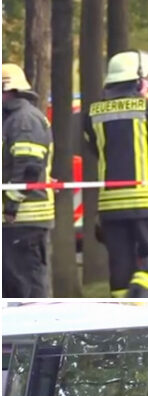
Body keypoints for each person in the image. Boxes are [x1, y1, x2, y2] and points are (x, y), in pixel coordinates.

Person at [84, 50, 148, 297]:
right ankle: (141, 295)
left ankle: (121, 311)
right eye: (146, 78)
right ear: (137, 81)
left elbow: (94, 147)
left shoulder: (93, 113)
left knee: (120, 263)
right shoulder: (146, 109)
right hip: (147, 200)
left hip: (110, 206)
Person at [2, 63, 54, 298]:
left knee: (27, 289)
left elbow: (28, 167)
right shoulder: (12, 119)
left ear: (7, 90)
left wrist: (11, 206)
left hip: (24, 219)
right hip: (15, 222)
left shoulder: (23, 120)